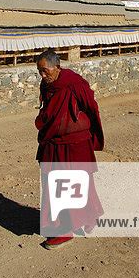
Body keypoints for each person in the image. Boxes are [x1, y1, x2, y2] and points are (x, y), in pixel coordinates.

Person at [35, 48, 104, 250]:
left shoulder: (74, 83)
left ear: (57, 67)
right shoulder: (47, 85)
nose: (42, 75)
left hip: (74, 143)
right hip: (54, 142)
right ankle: (88, 217)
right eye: (39, 71)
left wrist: (89, 134)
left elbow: (91, 107)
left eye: (45, 70)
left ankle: (64, 229)